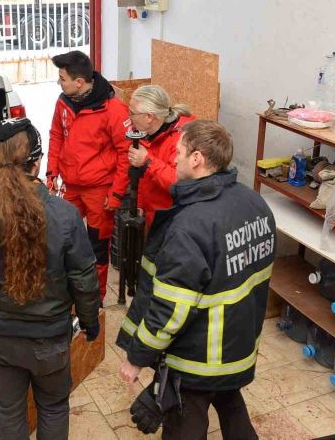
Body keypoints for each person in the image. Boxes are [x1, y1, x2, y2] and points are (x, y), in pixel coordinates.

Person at [116, 120, 276, 440]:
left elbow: (170, 310)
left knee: (186, 423)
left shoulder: (189, 225)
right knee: (231, 405)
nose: (173, 159)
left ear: (197, 158)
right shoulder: (255, 204)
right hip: (238, 346)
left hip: (199, 358)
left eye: (179, 152)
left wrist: (137, 358)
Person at [0, 118, 101, 440]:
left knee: (10, 412)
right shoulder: (64, 216)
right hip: (51, 340)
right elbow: (84, 278)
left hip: (1, 339)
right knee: (54, 407)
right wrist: (89, 322)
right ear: (38, 160)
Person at [47, 50, 130, 301]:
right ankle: (64, 296)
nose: (59, 83)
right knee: (59, 240)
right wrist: (51, 173)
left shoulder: (114, 110)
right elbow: (56, 135)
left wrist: (116, 194)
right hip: (69, 188)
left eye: (62, 78)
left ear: (79, 82)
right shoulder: (64, 101)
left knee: (96, 248)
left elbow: (126, 154)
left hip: (99, 192)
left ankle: (95, 300)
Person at [126, 85, 195, 228]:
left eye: (132, 113)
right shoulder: (147, 132)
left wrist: (147, 161)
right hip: (152, 213)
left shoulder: (183, 139)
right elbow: (143, 177)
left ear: (149, 117)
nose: (129, 118)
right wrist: (139, 205)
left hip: (172, 219)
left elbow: (179, 182)